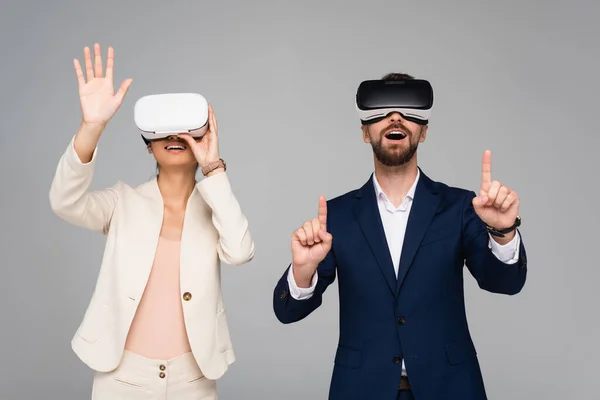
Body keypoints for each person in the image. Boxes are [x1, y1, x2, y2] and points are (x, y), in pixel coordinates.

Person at [272, 72, 527, 400]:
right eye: (381, 110)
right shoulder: (336, 216)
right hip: (362, 389)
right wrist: (303, 270)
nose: (395, 117)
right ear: (365, 131)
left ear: (424, 131)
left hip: (449, 388)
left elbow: (505, 283)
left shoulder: (461, 207)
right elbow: (287, 312)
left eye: (409, 110)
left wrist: (503, 231)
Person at [49, 43, 255, 399]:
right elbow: (65, 201)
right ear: (148, 144)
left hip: (194, 379)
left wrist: (213, 168)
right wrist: (91, 126)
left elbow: (239, 251)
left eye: (186, 129)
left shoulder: (215, 207)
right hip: (122, 376)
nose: (175, 136)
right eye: (163, 130)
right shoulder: (122, 201)